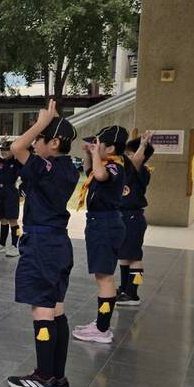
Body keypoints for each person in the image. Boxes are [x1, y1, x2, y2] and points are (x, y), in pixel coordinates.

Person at [6, 101, 79, 387]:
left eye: (40, 138)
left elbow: (16, 147)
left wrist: (41, 122)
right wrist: (50, 124)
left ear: (55, 142)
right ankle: (58, 377)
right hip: (58, 244)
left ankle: (44, 377)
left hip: (42, 245)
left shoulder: (44, 168)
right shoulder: (67, 168)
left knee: (42, 309)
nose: (34, 143)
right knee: (56, 308)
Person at [73, 126, 129, 345]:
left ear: (111, 148)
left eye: (98, 144)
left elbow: (100, 175)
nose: (94, 147)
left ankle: (102, 329)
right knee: (102, 274)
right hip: (99, 223)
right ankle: (100, 323)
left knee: (105, 277)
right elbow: (90, 172)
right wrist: (90, 154)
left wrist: (95, 154)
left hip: (105, 224)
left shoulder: (115, 166)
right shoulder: (104, 163)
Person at [116, 132, 154, 306]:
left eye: (130, 154)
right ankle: (124, 289)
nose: (127, 157)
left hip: (133, 217)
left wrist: (143, 144)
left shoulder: (141, 170)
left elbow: (136, 160)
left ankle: (133, 294)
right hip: (124, 216)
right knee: (125, 256)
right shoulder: (127, 171)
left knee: (134, 257)